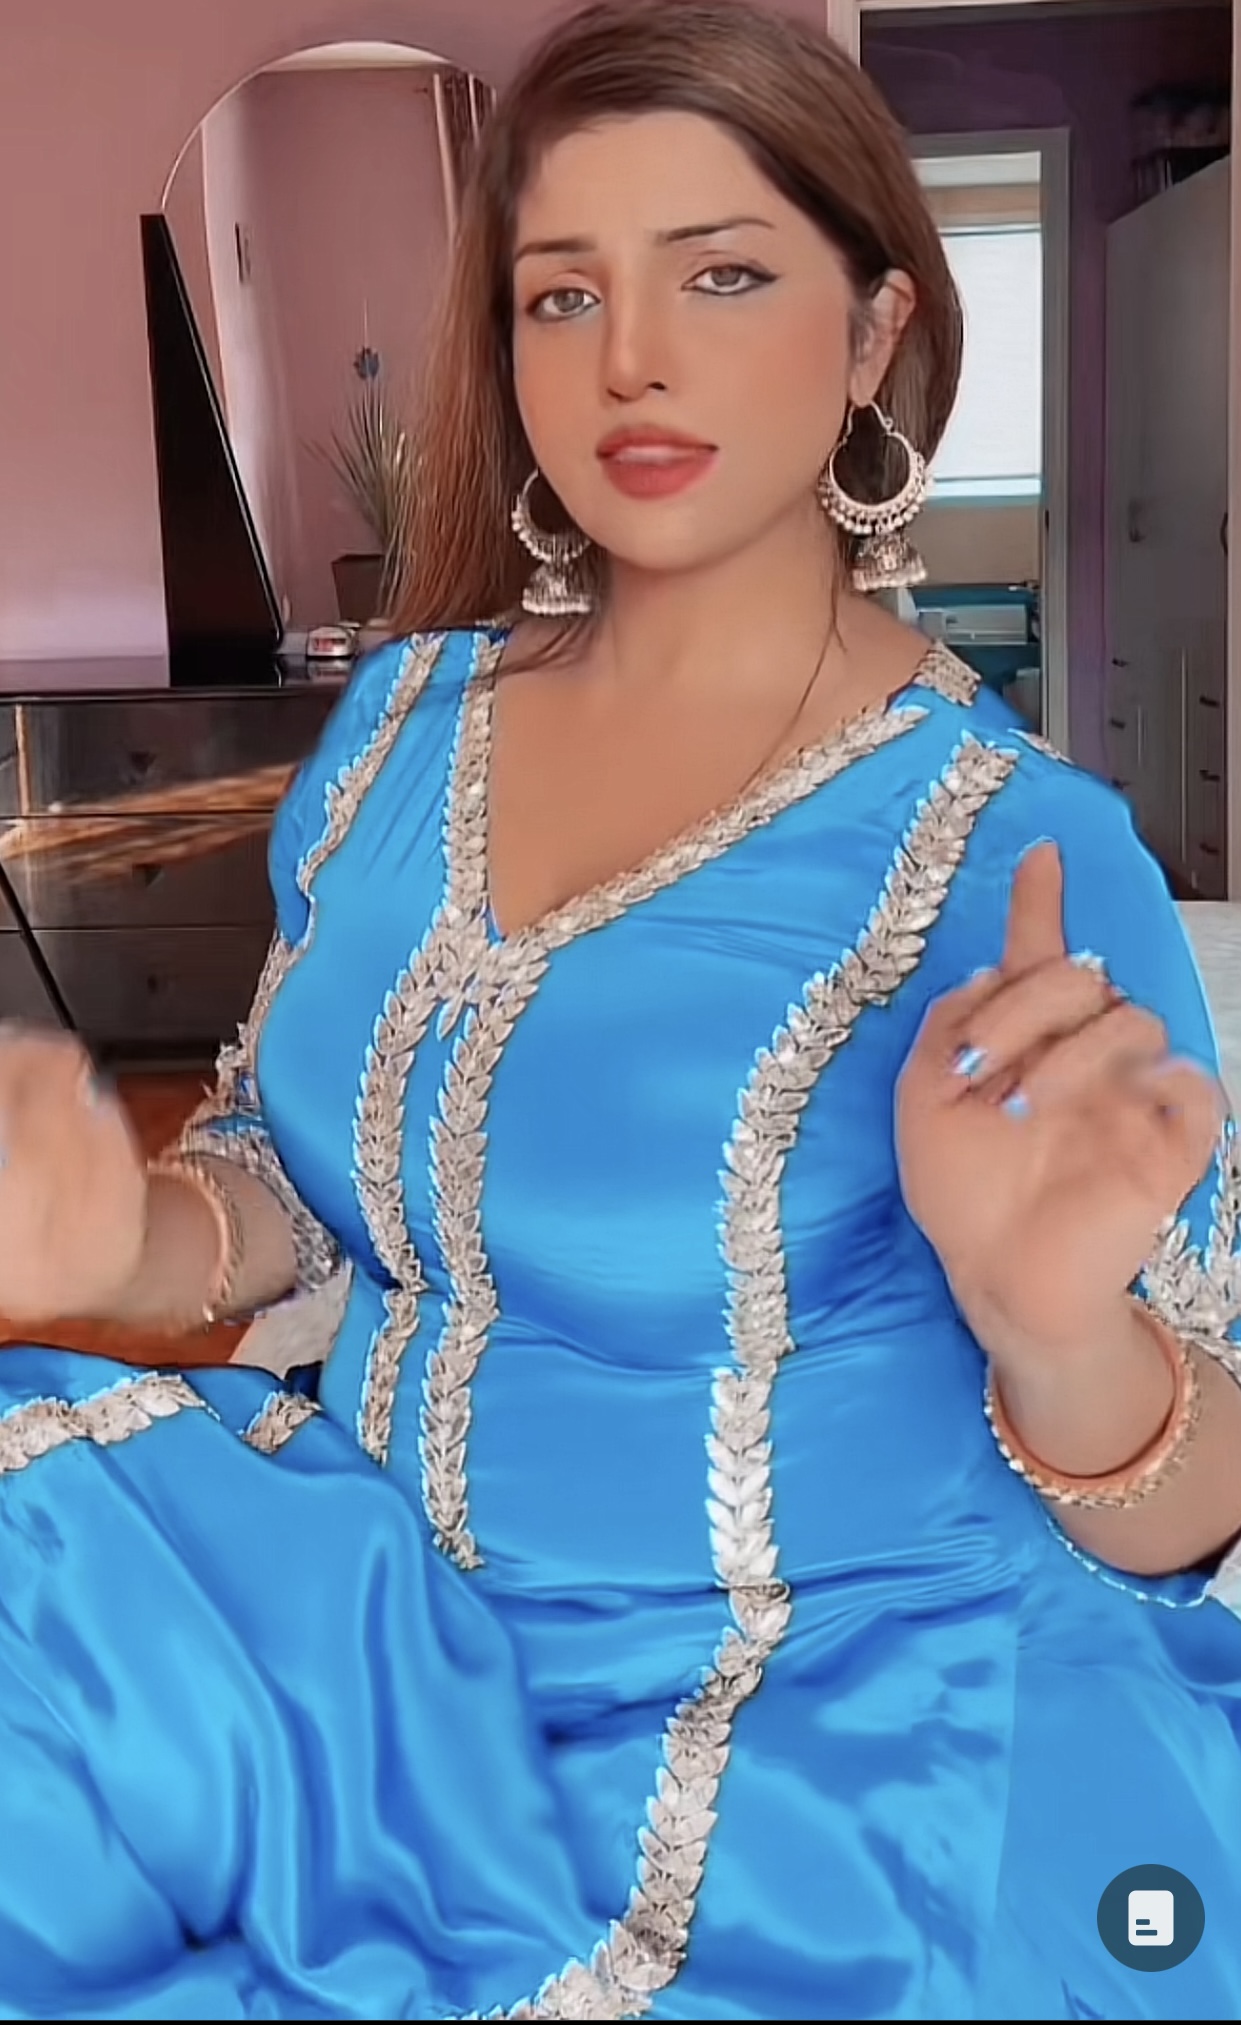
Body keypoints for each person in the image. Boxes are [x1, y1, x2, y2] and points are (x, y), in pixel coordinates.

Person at [1, 3, 1240, 2016]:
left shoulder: (1017, 853)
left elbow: (1190, 1504)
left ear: (872, 329)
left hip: (810, 1717)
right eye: (561, 292)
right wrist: (114, 1234)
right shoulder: (401, 726)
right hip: (368, 1622)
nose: (628, 362)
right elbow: (278, 1169)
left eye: (721, 275)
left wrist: (1050, 1324)